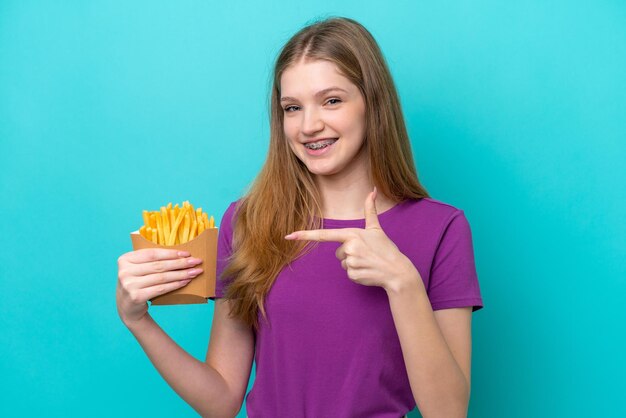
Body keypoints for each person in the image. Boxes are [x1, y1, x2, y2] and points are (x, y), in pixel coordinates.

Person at [117, 16, 483, 418]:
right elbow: (220, 401)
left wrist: (403, 282)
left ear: (373, 103)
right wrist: (138, 321)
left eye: (332, 101)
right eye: (293, 108)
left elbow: (448, 412)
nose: (309, 126)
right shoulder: (248, 222)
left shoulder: (441, 229)